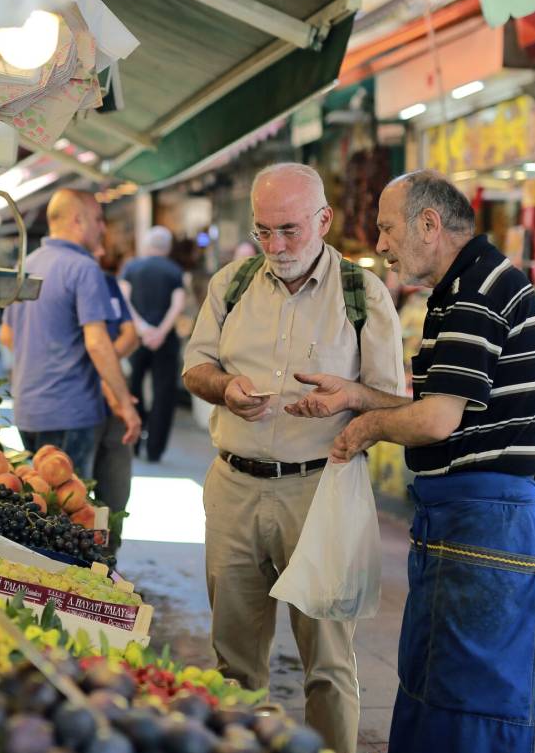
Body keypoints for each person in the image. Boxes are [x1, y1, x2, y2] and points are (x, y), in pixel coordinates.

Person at [286, 170, 535, 753]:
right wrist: (356, 395)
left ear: (428, 225)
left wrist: (366, 427)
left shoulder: (474, 293)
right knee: (437, 683)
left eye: (387, 229)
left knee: (468, 698)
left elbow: (435, 423)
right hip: (466, 522)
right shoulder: (466, 286)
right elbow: (441, 408)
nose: (380, 245)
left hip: (484, 522)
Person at [181, 163, 405, 753]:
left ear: (323, 220)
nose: (276, 246)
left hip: (320, 492)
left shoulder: (364, 294)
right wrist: (225, 388)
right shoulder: (229, 284)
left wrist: (349, 398)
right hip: (234, 487)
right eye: (264, 231)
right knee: (232, 662)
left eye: (289, 230)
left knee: (328, 663)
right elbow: (196, 366)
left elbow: (394, 403)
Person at [0, 189, 141, 477]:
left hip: (28, 409)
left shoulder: (26, 265)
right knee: (67, 512)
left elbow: (7, 335)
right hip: (70, 413)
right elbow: (98, 343)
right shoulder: (84, 268)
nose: (103, 227)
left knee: (39, 506)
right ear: (79, 220)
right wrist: (126, 404)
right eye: (98, 219)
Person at [121, 225, 187, 462]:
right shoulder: (174, 270)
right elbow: (178, 304)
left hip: (136, 339)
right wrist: (160, 331)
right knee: (164, 394)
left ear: (147, 245)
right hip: (165, 341)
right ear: (167, 247)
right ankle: (155, 449)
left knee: (134, 390)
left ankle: (134, 442)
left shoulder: (132, 267)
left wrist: (142, 328)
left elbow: (123, 299)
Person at [92, 244, 140, 550]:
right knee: (75, 497)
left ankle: (104, 566)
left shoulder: (107, 283)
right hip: (78, 402)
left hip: (112, 400)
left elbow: (131, 335)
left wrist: (102, 366)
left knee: (113, 495)